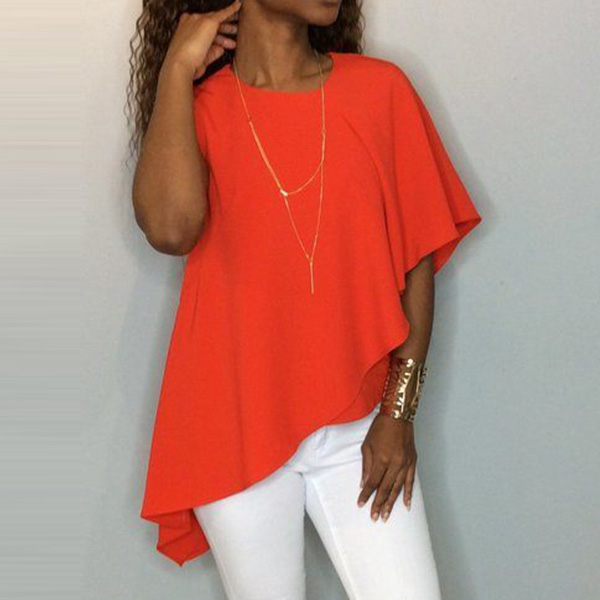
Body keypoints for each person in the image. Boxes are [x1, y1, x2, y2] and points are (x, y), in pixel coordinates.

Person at [127, 0, 482, 598]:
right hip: (232, 423)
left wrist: (398, 411)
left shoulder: (380, 92)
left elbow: (417, 257)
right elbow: (170, 230)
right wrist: (176, 70)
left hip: (359, 423)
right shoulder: (197, 111)